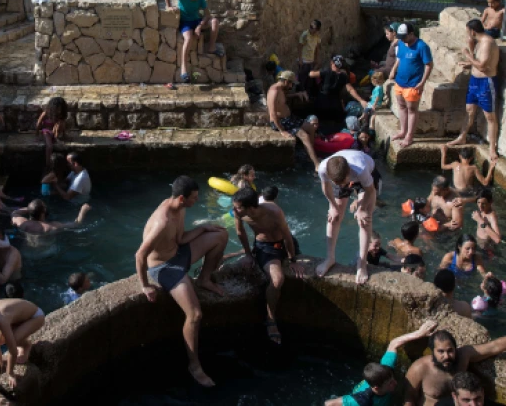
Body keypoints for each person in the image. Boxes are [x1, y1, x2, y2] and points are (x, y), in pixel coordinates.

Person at [136, 176, 228, 387]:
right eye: (194, 198)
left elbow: (179, 240)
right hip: (164, 268)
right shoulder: (162, 221)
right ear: (181, 198)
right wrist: (145, 285)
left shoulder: (180, 209)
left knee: (221, 234)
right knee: (195, 314)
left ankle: (204, 279)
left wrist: (203, 228)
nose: (197, 201)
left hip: (178, 253)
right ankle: (194, 366)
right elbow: (140, 255)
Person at [231, 188, 305, 345]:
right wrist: (248, 254)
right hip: (266, 247)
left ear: (251, 207)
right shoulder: (239, 213)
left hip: (285, 243)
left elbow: (287, 236)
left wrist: (293, 260)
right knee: (277, 280)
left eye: (238, 207)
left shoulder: (274, 211)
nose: (235, 210)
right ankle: (271, 319)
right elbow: (240, 231)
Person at [403, 328, 506, 406]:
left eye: (450, 350)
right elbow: (409, 398)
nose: (446, 356)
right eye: (441, 352)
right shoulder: (419, 368)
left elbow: (494, 346)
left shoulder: (464, 355)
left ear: (455, 348)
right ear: (432, 351)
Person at [325, 320, 438, 406]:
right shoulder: (361, 400)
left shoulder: (386, 369)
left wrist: (420, 333)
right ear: (376, 388)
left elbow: (394, 343)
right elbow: (329, 403)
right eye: (390, 383)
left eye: (392, 379)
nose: (395, 383)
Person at [316, 149, 378, 284]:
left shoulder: (361, 169)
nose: (342, 186)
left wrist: (361, 209)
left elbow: (370, 190)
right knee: (334, 217)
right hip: (341, 174)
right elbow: (326, 187)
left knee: (365, 220)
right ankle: (330, 258)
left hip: (366, 181)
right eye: (338, 184)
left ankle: (362, 265)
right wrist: (332, 206)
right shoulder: (323, 168)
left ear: (349, 172)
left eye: (343, 182)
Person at [448, 19, 502, 159]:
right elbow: (477, 62)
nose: (467, 35)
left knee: (490, 116)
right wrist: (468, 62)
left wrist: (467, 54)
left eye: (468, 32)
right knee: (469, 110)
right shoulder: (478, 43)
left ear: (473, 31)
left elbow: (483, 66)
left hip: (486, 82)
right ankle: (462, 136)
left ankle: (492, 148)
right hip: (474, 81)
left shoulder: (487, 43)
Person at [163, 0, 221, 82]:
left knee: (214, 21)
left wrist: (200, 26)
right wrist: (169, 6)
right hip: (185, 23)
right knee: (188, 39)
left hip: (197, 21)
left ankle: (212, 47)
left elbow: (207, 15)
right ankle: (183, 69)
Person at [389, 23, 433, 149]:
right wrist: (393, 70)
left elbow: (429, 65)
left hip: (413, 84)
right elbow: (399, 58)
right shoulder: (402, 43)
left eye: (404, 37)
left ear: (412, 34)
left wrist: (422, 82)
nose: (402, 39)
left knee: (412, 109)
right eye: (400, 37)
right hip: (400, 82)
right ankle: (403, 131)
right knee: (402, 107)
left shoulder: (422, 46)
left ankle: (409, 136)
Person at [267, 71, 320, 167]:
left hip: (289, 119)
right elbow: (272, 113)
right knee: (304, 136)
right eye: (291, 83)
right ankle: (317, 164)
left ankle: (310, 156)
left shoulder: (281, 89)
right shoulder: (273, 91)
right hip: (280, 122)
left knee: (311, 128)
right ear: (286, 81)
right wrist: (282, 130)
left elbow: (282, 99)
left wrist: (297, 94)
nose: (291, 86)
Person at [306, 55, 369, 124]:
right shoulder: (343, 76)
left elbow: (311, 74)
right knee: (335, 123)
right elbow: (350, 89)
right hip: (335, 104)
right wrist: (361, 100)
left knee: (321, 121)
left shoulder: (327, 71)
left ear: (332, 63)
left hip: (322, 102)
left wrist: (315, 67)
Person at [12, 199, 90, 234]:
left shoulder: (22, 223)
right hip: (46, 254)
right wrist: (83, 210)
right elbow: (76, 224)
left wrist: (30, 209)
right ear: (43, 213)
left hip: (26, 253)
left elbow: (14, 212)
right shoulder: (52, 226)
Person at [36, 96, 68, 167]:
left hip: (56, 132)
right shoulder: (46, 113)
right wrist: (37, 134)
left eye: (60, 108)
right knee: (49, 146)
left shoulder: (60, 115)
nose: (59, 110)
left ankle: (56, 138)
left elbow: (62, 125)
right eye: (58, 108)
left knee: (60, 122)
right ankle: (48, 164)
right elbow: (38, 123)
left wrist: (64, 134)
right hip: (46, 131)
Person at [297, 20, 322, 87]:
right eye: (310, 26)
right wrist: (300, 59)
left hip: (311, 61)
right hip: (304, 61)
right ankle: (301, 94)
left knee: (310, 80)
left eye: (312, 27)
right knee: (302, 80)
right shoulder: (305, 35)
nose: (310, 28)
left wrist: (316, 59)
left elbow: (317, 48)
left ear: (317, 30)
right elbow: (299, 47)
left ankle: (307, 94)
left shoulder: (317, 36)